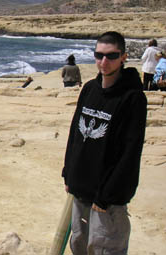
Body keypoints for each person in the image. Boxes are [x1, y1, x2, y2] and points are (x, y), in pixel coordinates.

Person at [62, 31, 147, 254]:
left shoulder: (132, 97)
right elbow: (75, 134)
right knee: (79, 244)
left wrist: (107, 196)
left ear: (123, 57)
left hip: (107, 199)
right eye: (98, 55)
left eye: (111, 56)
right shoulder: (90, 88)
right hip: (80, 190)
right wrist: (68, 172)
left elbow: (130, 151)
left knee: (104, 248)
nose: (103, 62)